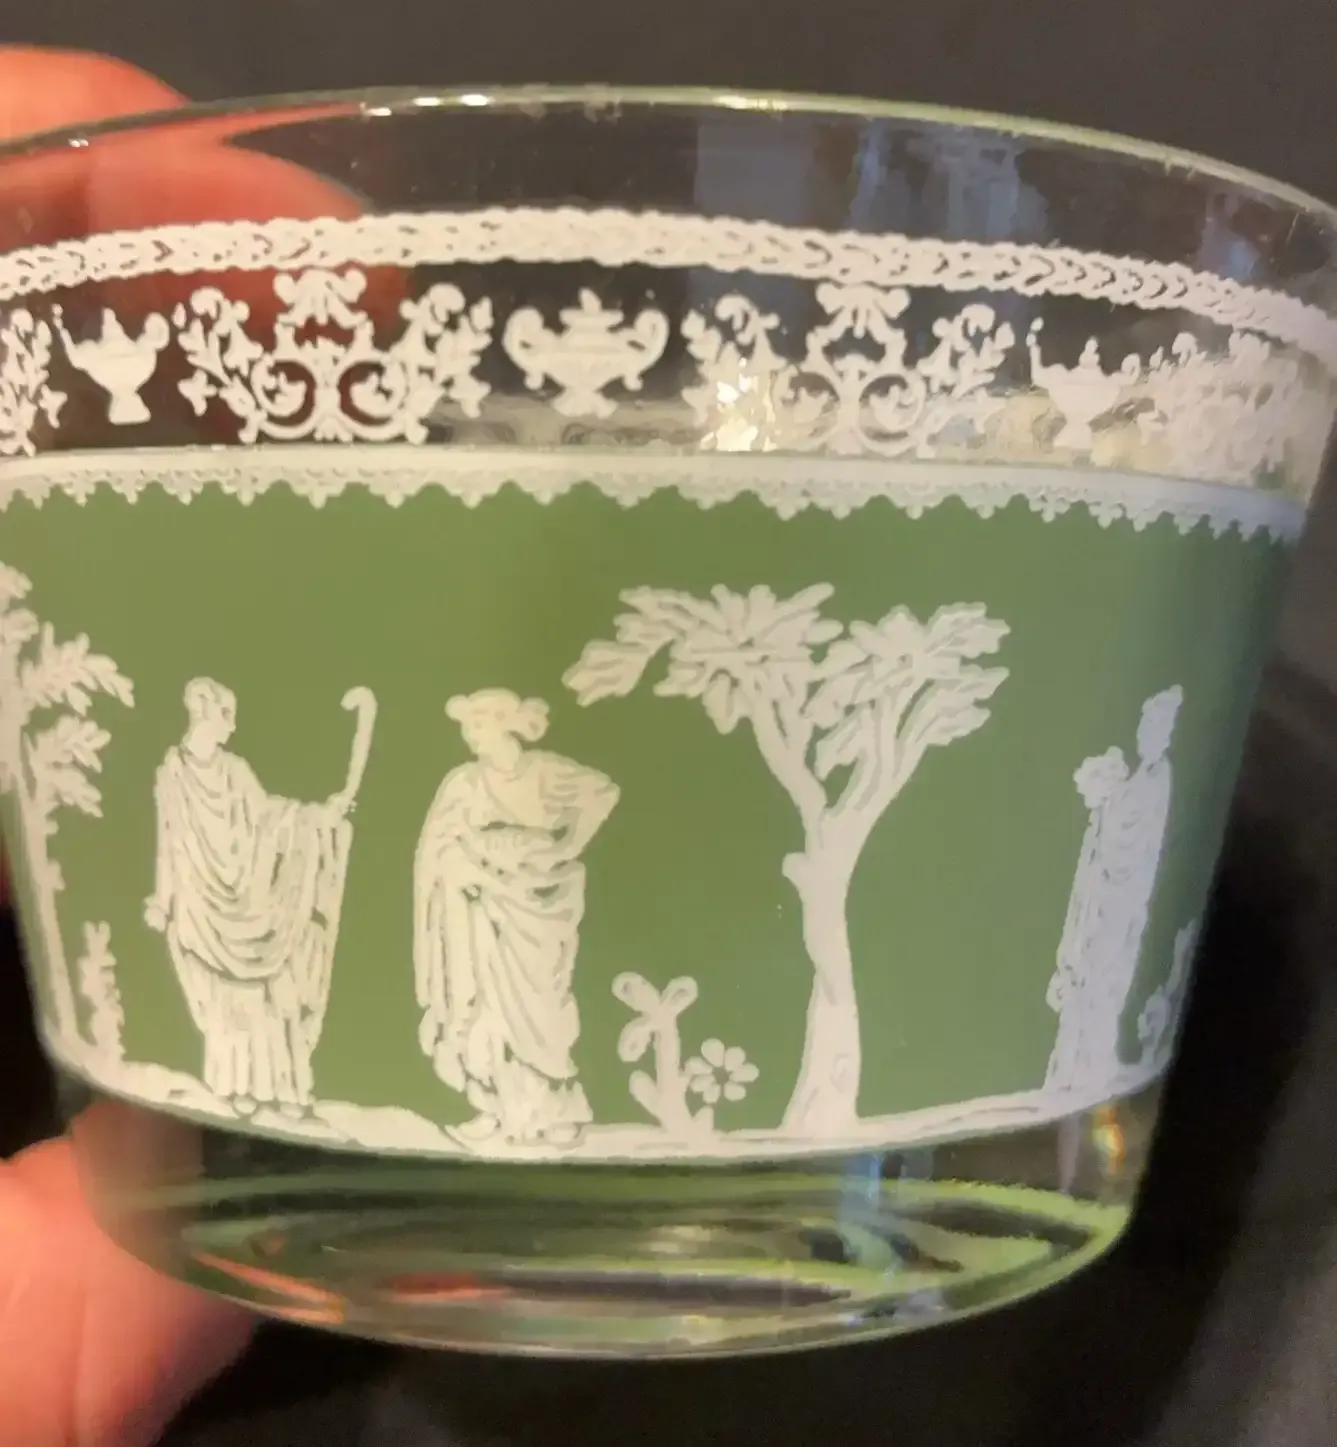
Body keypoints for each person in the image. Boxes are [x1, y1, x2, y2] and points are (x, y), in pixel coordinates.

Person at [0, 43, 378, 1447]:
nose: (211, 715)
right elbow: (179, 833)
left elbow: (270, 818)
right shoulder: (173, 764)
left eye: (217, 707)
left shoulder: (225, 765)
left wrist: (323, 808)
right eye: (206, 707)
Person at [414, 689, 619, 1148]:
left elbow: (603, 792)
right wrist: (466, 870)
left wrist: (567, 845)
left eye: (478, 725)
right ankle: (496, 1108)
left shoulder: (544, 772)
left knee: (541, 1009)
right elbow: (438, 846)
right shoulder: (463, 783)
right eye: (467, 727)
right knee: (484, 1007)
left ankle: (555, 1113)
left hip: (539, 903)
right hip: (482, 905)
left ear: (505, 723)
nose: (470, 735)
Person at [145, 679, 358, 1120]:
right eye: (227, 715)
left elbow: (268, 817)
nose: (232, 725)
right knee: (228, 1003)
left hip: (253, 901)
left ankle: (287, 1089)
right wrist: (163, 900)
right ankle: (236, 1085)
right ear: (206, 715)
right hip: (203, 904)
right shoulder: (173, 774)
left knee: (272, 995)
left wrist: (316, 817)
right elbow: (168, 840)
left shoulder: (236, 771)